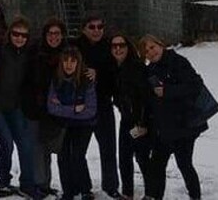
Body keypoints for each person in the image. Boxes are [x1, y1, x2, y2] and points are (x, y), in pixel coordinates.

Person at [140, 34, 206, 200]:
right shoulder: (150, 71)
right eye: (146, 51)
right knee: (157, 164)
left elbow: (196, 85)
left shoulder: (178, 61)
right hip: (164, 128)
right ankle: (156, 197)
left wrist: (168, 91)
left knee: (184, 164)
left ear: (160, 45)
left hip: (184, 125)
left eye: (152, 47)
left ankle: (196, 197)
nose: (150, 52)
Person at [74, 13, 120, 198]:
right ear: (84, 29)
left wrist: (98, 73)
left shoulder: (110, 47)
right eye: (92, 27)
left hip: (103, 104)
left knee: (108, 149)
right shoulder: (76, 47)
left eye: (100, 27)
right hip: (82, 106)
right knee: (78, 151)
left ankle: (111, 186)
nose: (96, 31)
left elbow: (116, 74)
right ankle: (84, 188)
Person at [0, 16, 38, 198]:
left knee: (25, 145)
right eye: (16, 34)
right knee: (6, 143)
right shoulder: (0, 51)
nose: (19, 38)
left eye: (24, 36)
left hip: (16, 106)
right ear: (10, 34)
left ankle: (27, 184)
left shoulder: (29, 54)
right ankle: (4, 180)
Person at [47, 46, 97, 200]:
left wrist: (64, 107)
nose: (69, 65)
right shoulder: (56, 79)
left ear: (78, 63)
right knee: (63, 156)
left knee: (77, 155)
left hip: (84, 125)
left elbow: (90, 109)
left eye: (73, 61)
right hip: (63, 124)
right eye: (65, 61)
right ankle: (68, 190)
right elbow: (52, 107)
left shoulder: (86, 80)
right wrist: (74, 109)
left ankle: (85, 189)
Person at [28, 17, 68, 199]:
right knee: (39, 149)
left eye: (57, 33)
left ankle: (58, 184)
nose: (53, 37)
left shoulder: (69, 53)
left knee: (58, 147)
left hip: (61, 109)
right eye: (50, 34)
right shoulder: (35, 53)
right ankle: (40, 184)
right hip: (38, 107)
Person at [110, 32, 152, 200]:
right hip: (126, 119)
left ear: (128, 47)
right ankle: (128, 193)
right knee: (124, 159)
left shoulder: (137, 67)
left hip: (140, 120)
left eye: (122, 45)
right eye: (114, 46)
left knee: (142, 159)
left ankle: (150, 193)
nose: (118, 49)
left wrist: (143, 123)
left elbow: (145, 98)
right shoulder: (114, 68)